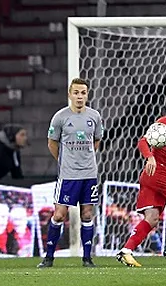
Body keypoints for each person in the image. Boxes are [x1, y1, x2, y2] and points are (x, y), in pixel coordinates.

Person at [115, 90, 166, 268]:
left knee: (152, 218)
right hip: (159, 171)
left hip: (152, 176)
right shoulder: (163, 123)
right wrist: (150, 156)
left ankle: (126, 251)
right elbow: (142, 141)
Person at [37, 78, 102, 268]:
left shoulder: (95, 116)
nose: (80, 96)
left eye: (83, 93)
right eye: (76, 92)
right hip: (68, 175)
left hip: (89, 174)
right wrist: (64, 161)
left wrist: (85, 159)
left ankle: (87, 258)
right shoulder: (60, 117)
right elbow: (52, 143)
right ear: (70, 94)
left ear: (87, 94)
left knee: (88, 214)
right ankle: (49, 257)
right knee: (59, 214)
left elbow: (96, 141)